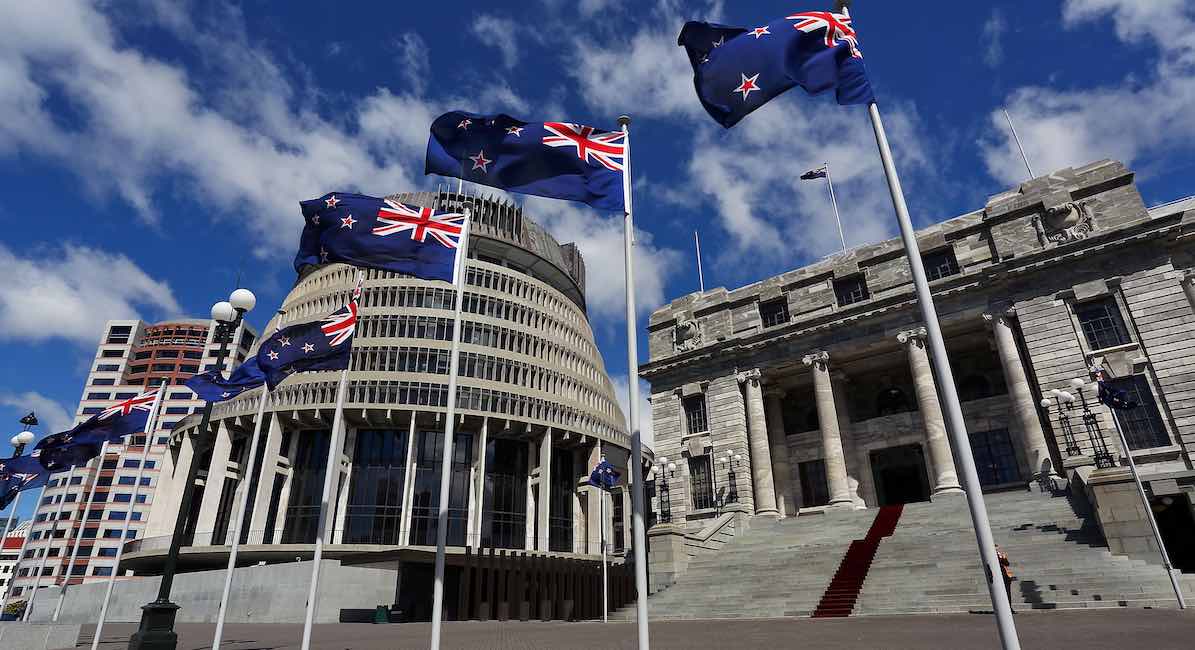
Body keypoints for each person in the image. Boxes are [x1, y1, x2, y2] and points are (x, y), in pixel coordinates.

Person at [996, 544, 1015, 613]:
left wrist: (1004, 558)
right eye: (995, 548)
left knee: (1008, 593)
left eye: (997, 548)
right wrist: (1000, 558)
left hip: (1005, 576)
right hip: (999, 577)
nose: (997, 549)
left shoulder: (1000, 555)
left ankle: (1009, 608)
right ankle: (1003, 608)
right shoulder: (992, 556)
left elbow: (1007, 564)